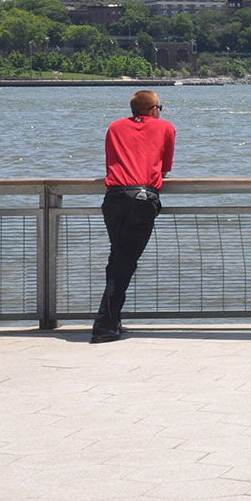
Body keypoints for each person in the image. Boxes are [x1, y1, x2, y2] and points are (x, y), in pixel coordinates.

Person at [91, 89, 175, 343]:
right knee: (125, 261)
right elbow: (166, 166)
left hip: (114, 197)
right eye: (160, 106)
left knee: (118, 257)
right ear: (154, 109)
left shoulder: (115, 127)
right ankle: (104, 325)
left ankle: (113, 320)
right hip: (143, 198)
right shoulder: (165, 127)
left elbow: (110, 160)